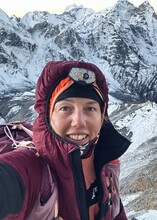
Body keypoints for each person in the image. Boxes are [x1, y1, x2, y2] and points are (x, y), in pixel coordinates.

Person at [0, 61, 130, 220]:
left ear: (102, 116)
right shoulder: (33, 168)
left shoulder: (106, 165)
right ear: (48, 116)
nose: (78, 122)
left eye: (90, 108)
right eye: (65, 108)